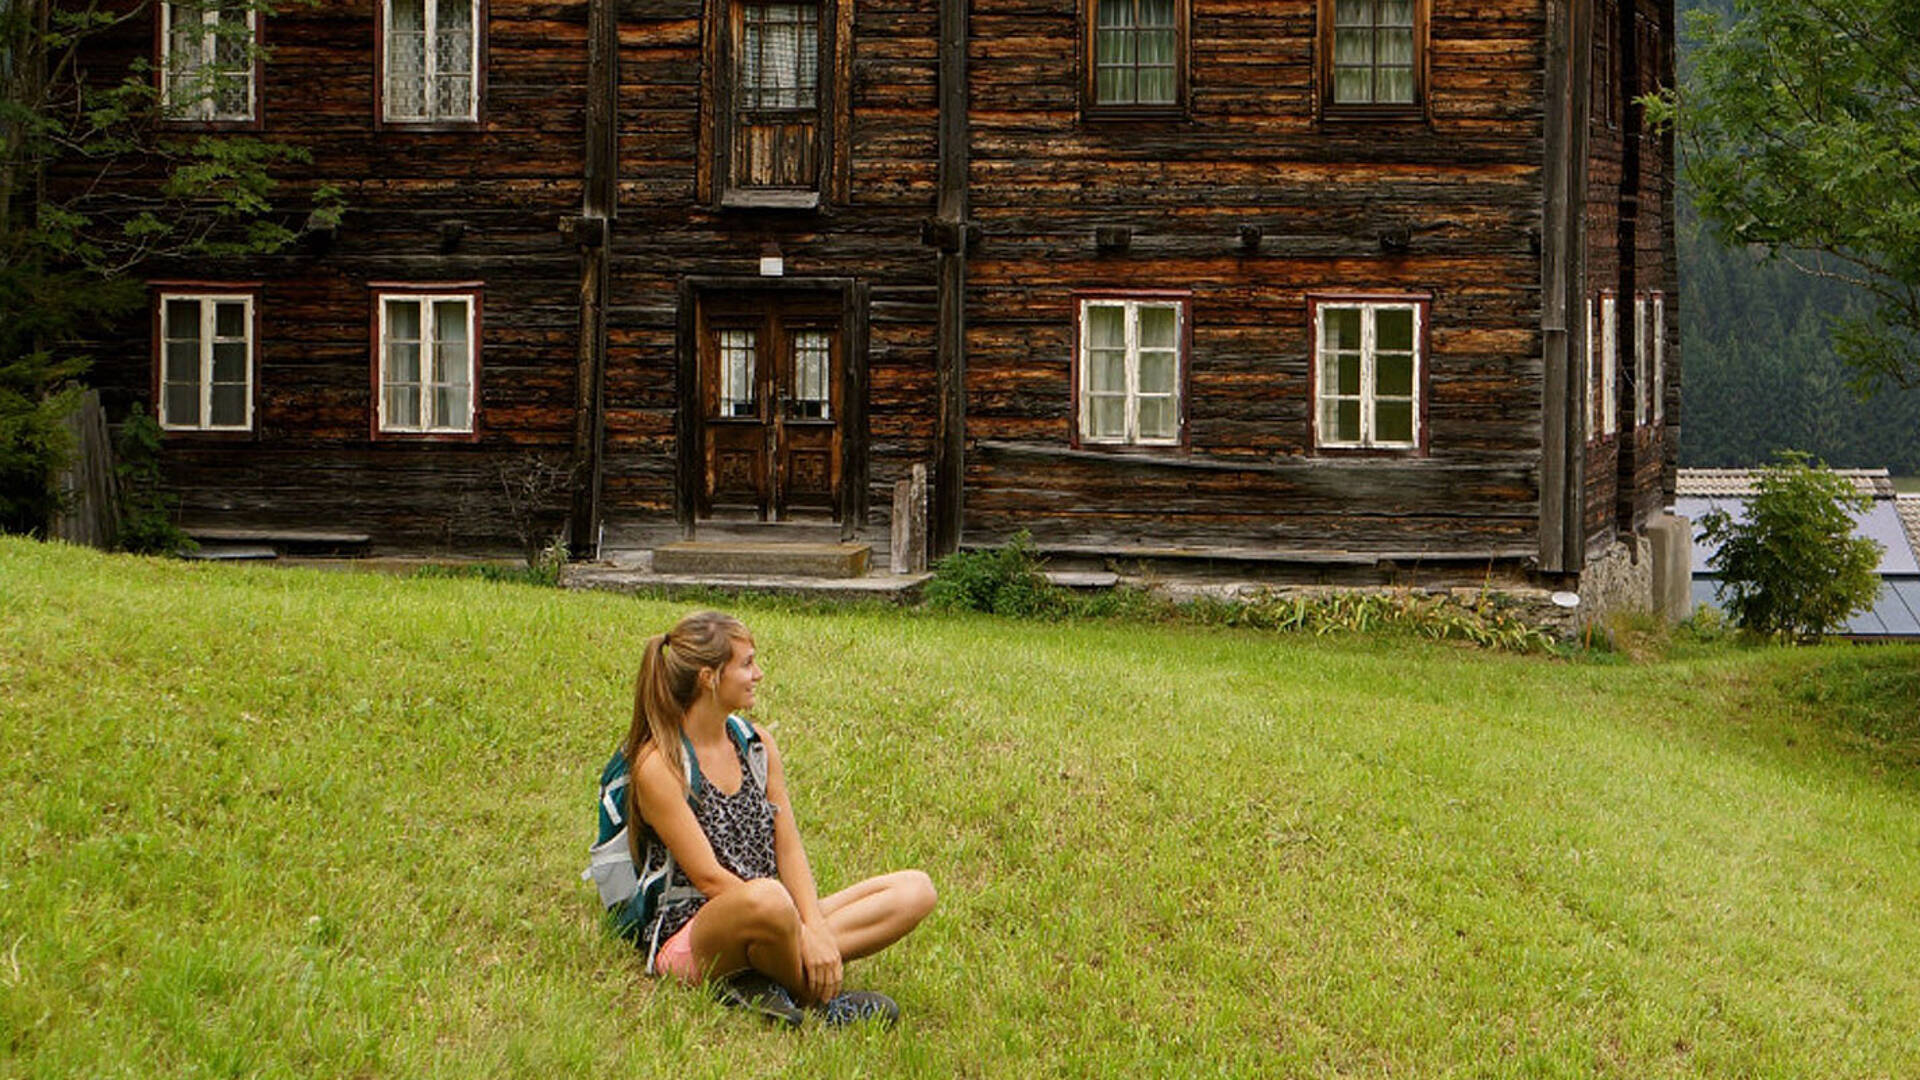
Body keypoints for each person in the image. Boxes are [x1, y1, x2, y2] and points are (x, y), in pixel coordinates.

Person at [619, 610, 936, 1026]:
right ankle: (818, 1001)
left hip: (774, 915)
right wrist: (799, 928)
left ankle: (762, 977)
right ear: (709, 677)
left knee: (916, 890)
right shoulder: (661, 764)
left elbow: (787, 845)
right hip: (697, 934)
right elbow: (710, 878)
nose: (759, 674)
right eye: (747, 664)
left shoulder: (756, 745)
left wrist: (812, 926)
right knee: (769, 897)